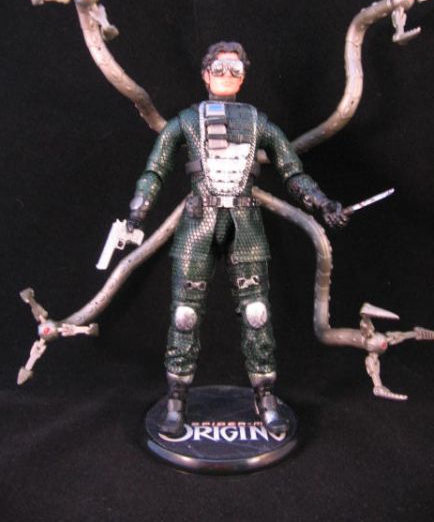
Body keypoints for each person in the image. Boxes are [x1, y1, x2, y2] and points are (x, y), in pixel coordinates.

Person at [127, 41, 348, 437]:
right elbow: (156, 167)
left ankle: (265, 397)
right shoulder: (187, 121)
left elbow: (292, 170)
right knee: (184, 314)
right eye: (219, 69)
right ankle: (176, 398)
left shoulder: (258, 123)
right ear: (205, 74)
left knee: (256, 312)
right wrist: (139, 206)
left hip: (245, 226)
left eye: (235, 70)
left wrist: (321, 202)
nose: (227, 76)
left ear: (244, 77)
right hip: (198, 226)